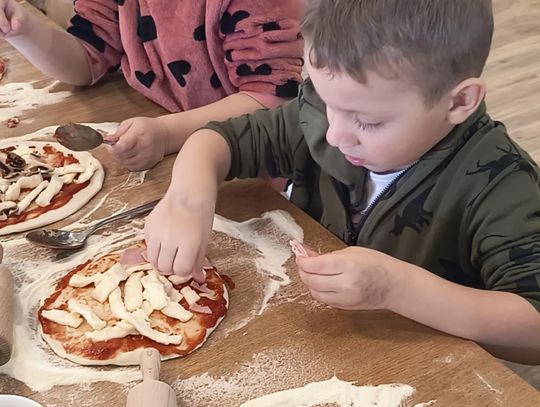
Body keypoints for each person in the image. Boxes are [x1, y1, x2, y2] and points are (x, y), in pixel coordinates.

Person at [143, 0, 540, 363]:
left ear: (458, 102)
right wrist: (187, 196)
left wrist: (396, 288)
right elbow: (221, 140)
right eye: (326, 100)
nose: (334, 134)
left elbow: (533, 327)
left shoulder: (503, 185)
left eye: (367, 121)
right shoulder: (324, 113)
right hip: (322, 341)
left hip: (422, 365)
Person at [0, 0, 303, 170]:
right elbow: (87, 60)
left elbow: (271, 100)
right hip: (162, 147)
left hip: (243, 162)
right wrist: (23, 30)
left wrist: (166, 133)